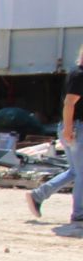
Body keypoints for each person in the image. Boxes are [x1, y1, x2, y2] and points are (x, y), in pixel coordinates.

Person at [26, 43, 82, 226]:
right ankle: (79, 214)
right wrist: (68, 129)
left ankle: (38, 195)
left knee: (75, 171)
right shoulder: (79, 75)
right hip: (76, 128)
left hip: (73, 127)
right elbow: (69, 103)